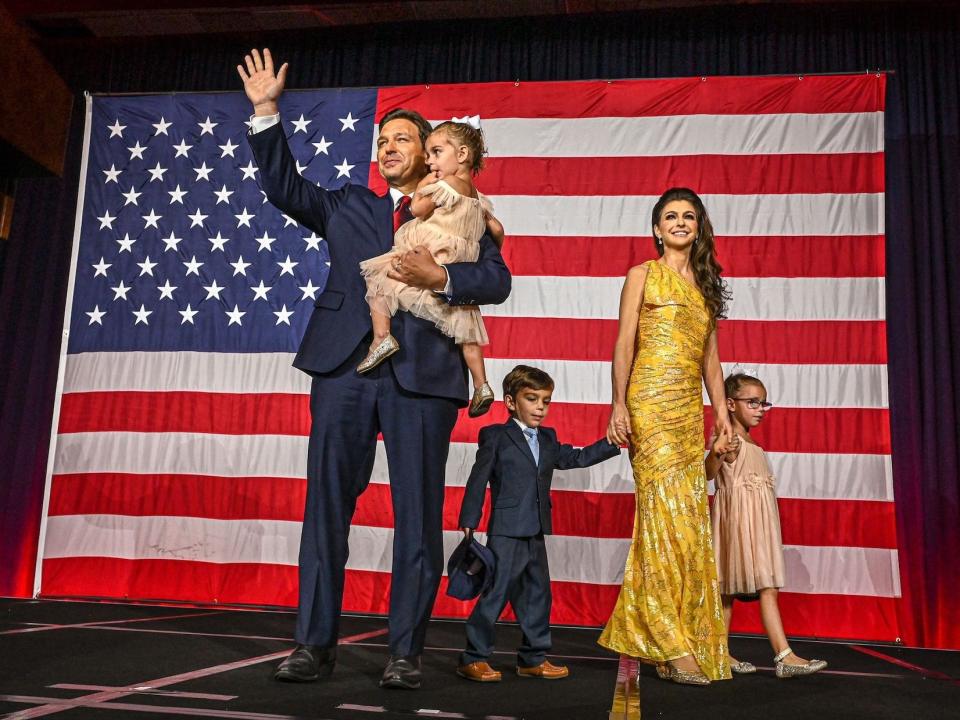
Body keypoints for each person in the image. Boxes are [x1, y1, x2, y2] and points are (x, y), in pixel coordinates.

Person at [237, 48, 512, 689]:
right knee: (326, 508)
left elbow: (496, 280)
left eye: (403, 140)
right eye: (382, 139)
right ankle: (312, 646)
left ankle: (403, 655)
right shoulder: (349, 206)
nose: (389, 147)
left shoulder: (462, 205)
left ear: (431, 152)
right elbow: (284, 187)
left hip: (424, 375)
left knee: (417, 517)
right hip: (344, 369)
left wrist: (443, 275)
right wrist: (266, 111)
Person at [598, 187, 733, 685]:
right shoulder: (642, 275)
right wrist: (617, 405)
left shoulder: (705, 284)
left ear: (698, 227)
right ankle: (669, 643)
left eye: (688, 217)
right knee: (662, 516)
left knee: (688, 523)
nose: (679, 223)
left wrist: (721, 414)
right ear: (656, 228)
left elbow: (711, 362)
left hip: (685, 412)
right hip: (649, 406)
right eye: (671, 217)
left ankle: (682, 636)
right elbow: (623, 342)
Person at [456, 365, 621, 682]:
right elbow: (477, 480)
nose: (540, 407)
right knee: (495, 592)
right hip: (506, 529)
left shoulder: (547, 438)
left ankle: (532, 658)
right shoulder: (495, 436)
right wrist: (469, 520)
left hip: (536, 529)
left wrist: (612, 442)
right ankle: (473, 657)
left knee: (537, 594)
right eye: (532, 399)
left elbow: (576, 458)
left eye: (545, 400)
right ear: (510, 401)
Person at [357, 120, 502, 417]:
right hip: (458, 258)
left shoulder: (442, 186)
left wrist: (423, 188)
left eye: (435, 153)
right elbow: (497, 229)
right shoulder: (477, 197)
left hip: (430, 250)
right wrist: (476, 249)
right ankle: (481, 384)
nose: (430, 161)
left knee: (380, 278)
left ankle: (382, 338)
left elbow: (418, 210)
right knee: (467, 330)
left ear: (461, 155)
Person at [706, 372, 828, 679]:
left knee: (728, 592)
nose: (760, 409)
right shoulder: (729, 437)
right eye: (753, 402)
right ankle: (783, 655)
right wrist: (717, 453)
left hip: (756, 521)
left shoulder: (747, 439)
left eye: (763, 403)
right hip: (740, 522)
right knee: (762, 587)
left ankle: (718, 653)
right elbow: (708, 472)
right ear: (731, 404)